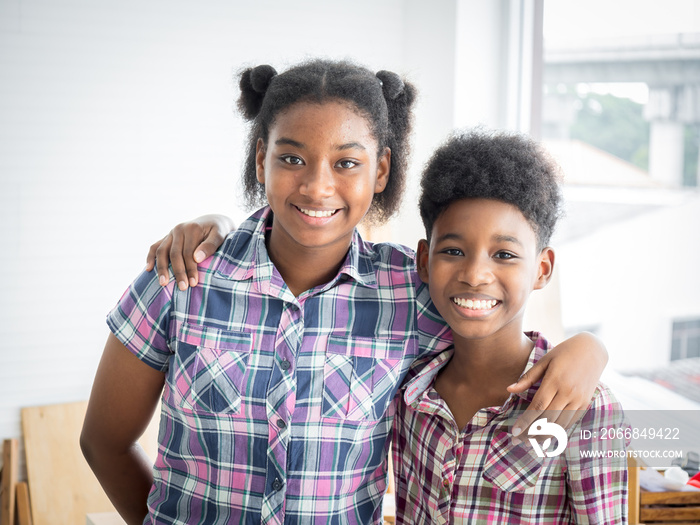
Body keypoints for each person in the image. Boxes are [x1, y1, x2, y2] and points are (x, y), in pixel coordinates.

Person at [81, 59, 608, 525]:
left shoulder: (413, 291)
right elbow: (103, 442)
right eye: (291, 159)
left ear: (380, 170)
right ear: (261, 157)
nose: (316, 186)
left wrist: (590, 349)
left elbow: (495, 324)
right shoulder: (181, 280)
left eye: (346, 162)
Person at [392, 129, 628, 524]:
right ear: (424, 260)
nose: (475, 274)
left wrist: (592, 345)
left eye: (504, 254)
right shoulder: (410, 391)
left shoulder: (584, 407)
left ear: (542, 269)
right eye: (452, 251)